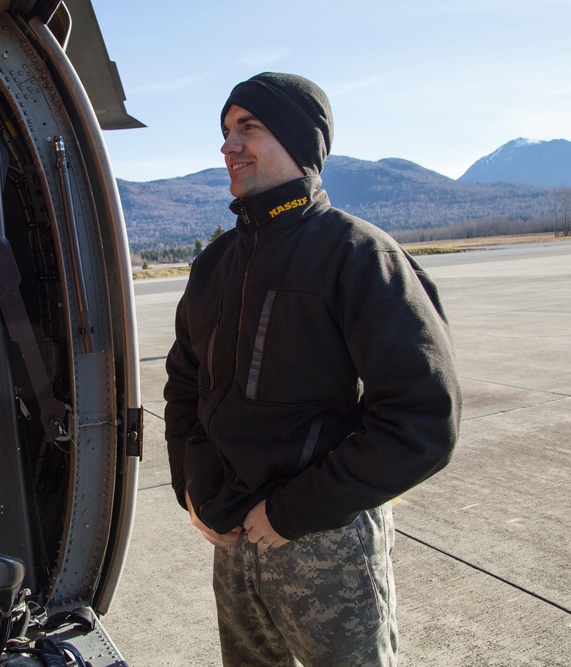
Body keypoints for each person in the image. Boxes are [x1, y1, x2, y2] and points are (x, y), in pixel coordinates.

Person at [163, 72, 462, 666]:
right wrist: (191, 488)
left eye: (249, 127)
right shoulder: (216, 265)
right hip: (232, 539)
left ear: (301, 143)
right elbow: (184, 387)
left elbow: (422, 421)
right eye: (225, 130)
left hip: (326, 542)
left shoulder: (357, 255)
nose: (229, 145)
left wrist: (293, 512)